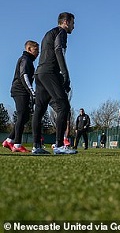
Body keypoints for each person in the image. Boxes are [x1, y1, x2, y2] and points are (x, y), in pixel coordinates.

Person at [32, 12, 77, 155]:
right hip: (50, 72)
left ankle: (36, 146)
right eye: (73, 23)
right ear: (66, 22)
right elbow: (59, 51)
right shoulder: (61, 32)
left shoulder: (48, 33)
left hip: (39, 73)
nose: (74, 27)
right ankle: (59, 145)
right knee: (63, 106)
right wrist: (65, 74)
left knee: (39, 109)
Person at [2, 40, 39, 153]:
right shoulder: (25, 59)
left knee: (25, 117)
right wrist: (32, 92)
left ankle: (9, 140)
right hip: (19, 91)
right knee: (22, 115)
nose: (38, 53)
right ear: (29, 49)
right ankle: (17, 144)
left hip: (23, 91)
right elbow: (24, 76)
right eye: (36, 50)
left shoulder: (29, 60)